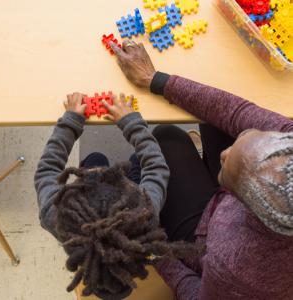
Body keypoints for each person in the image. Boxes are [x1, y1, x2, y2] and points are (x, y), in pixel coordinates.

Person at [110, 40, 293, 300]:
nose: (224, 153)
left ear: (240, 199)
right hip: (234, 218)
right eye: (250, 136)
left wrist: (152, 247)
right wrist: (155, 79)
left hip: (206, 244)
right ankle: (212, 173)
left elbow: (195, 294)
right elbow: (236, 112)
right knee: (214, 120)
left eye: (228, 165)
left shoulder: (238, 269)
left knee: (167, 136)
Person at [34, 93, 200, 299]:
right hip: (136, 188)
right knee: (129, 161)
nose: (97, 173)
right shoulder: (144, 215)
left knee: (96, 159)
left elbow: (46, 170)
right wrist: (131, 122)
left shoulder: (57, 217)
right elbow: (156, 167)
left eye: (88, 179)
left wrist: (70, 122)